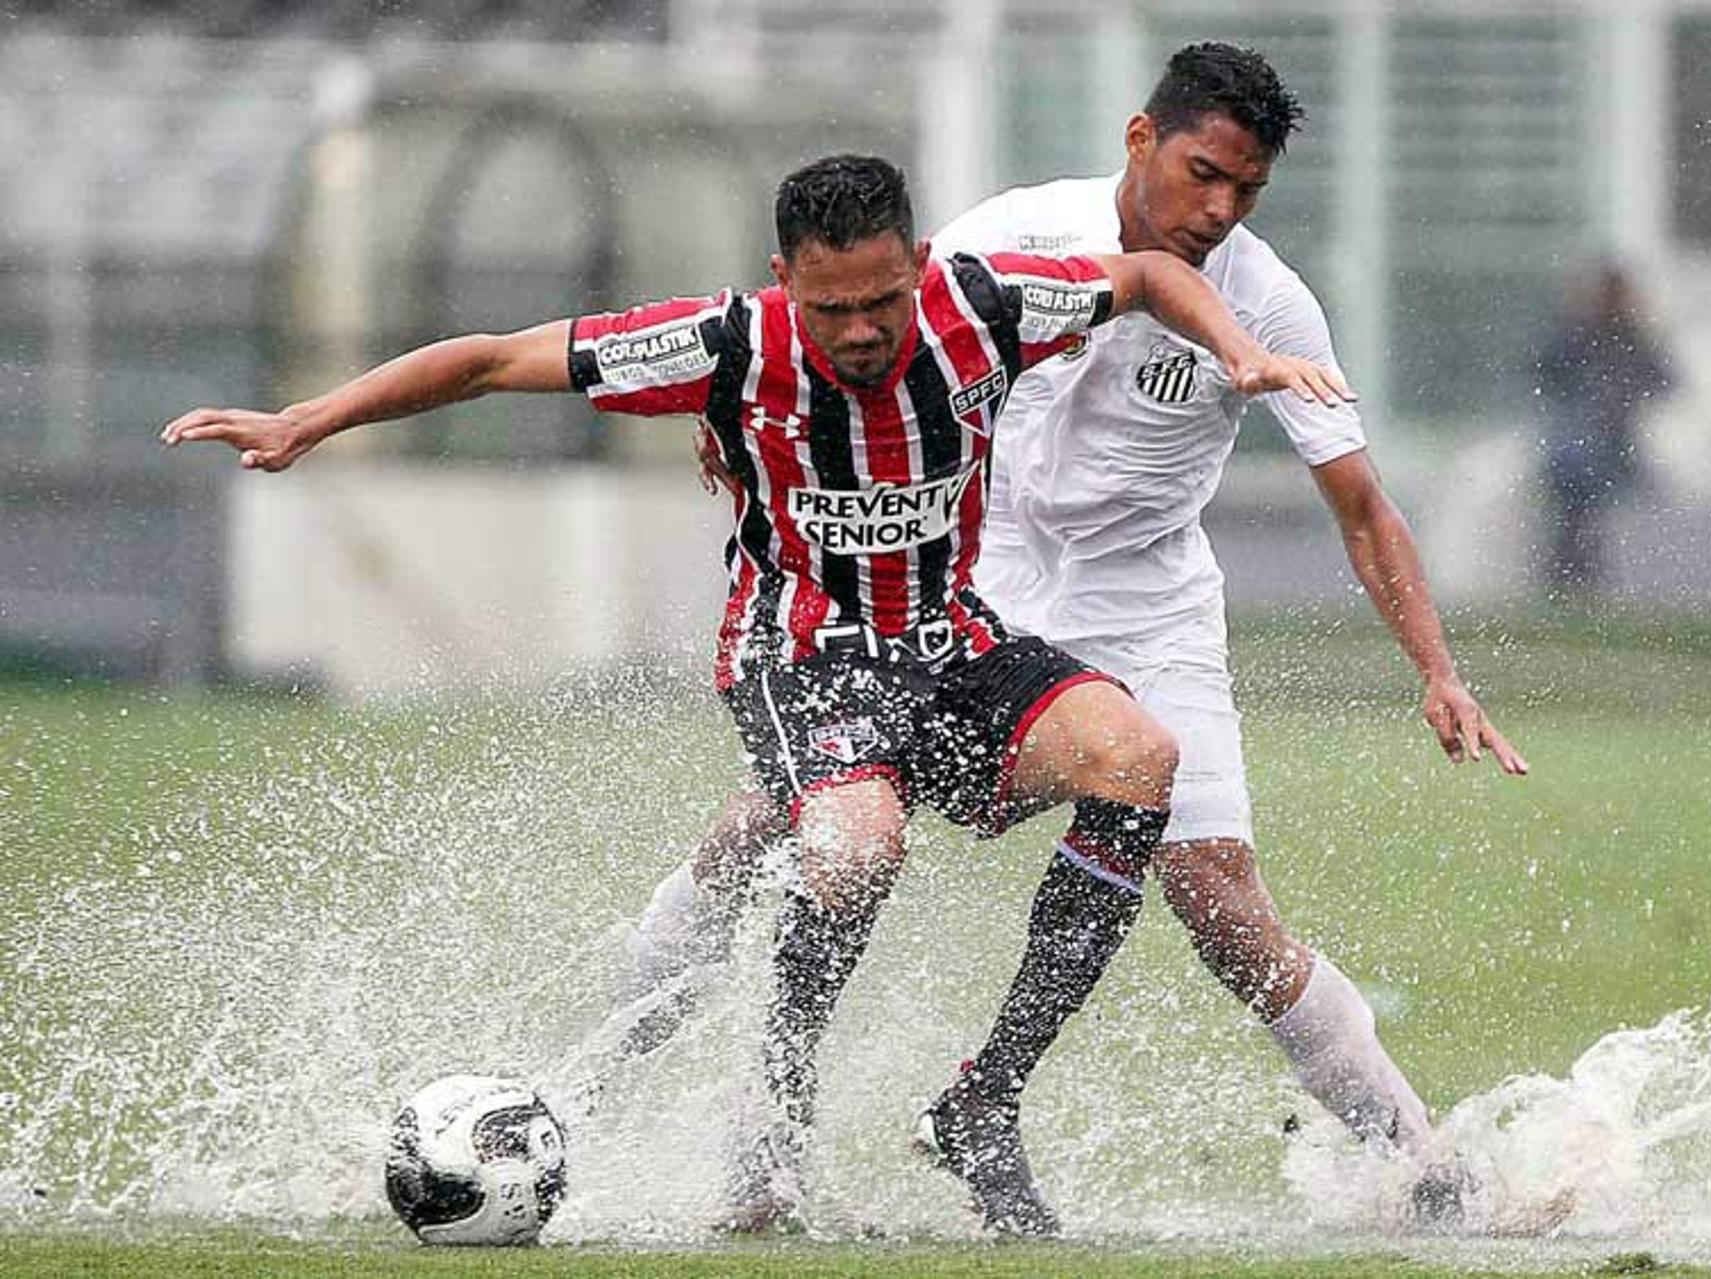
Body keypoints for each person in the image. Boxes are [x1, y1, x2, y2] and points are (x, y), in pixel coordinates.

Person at [159, 152, 1353, 1233]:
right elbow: (488, 360)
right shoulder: (724, 341)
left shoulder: (987, 306)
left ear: (922, 266)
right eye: (830, 309)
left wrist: (1239, 353)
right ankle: (772, 1115)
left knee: (1140, 759)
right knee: (857, 845)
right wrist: (314, 416)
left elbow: (1147, 272)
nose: (861, 333)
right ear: (786, 280)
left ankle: (984, 1099)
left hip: (953, 646)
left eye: (883, 302)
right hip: (800, 657)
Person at [599, 44, 1527, 1236]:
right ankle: (624, 1074)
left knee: (1221, 896)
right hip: (967, 570)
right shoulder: (1011, 236)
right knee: (793, 820)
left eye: (1246, 190)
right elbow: (832, 316)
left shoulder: (1269, 302)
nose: (1219, 209)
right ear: (1141, 138)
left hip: (1148, 598)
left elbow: (1363, 505)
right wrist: (740, 425)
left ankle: (1420, 1160)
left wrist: (1438, 670)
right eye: (1202, 174)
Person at [1534, 262, 1676, 596]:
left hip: (1613, 442)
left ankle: (1579, 572)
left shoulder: (1630, 338)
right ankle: (1571, 571)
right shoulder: (1578, 335)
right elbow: (1545, 372)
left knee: (1592, 512)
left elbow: (1663, 380)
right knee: (1577, 507)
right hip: (1579, 443)